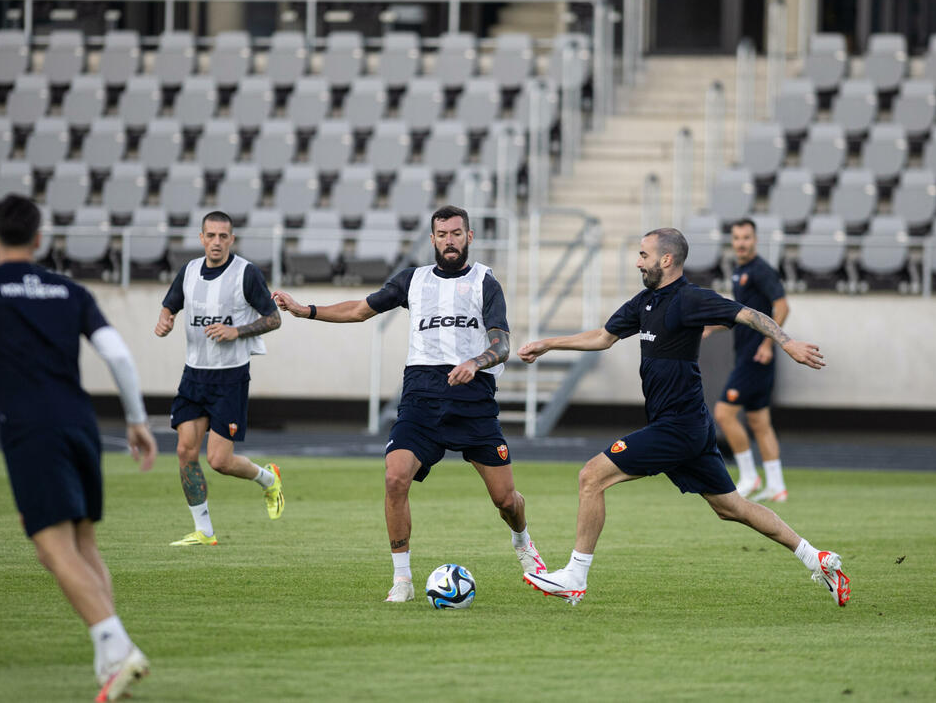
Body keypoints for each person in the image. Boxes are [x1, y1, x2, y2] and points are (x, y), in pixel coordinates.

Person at [517, 228, 850, 607]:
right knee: (731, 508)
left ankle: (574, 576)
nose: (638, 262)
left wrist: (787, 343)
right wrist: (547, 344)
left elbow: (748, 313)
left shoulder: (690, 299)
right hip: (690, 425)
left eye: (644, 255)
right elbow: (603, 337)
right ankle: (817, 558)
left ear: (666, 260)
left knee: (591, 476)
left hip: (677, 426)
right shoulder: (644, 302)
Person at [271, 205, 546, 602]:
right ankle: (402, 580)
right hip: (421, 394)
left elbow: (502, 344)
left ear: (469, 237)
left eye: (456, 233)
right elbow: (359, 309)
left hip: (473, 396)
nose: (449, 240)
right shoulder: (412, 281)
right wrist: (306, 310)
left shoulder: (486, 282)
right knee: (394, 477)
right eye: (442, 234)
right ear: (432, 239)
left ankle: (522, 541)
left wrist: (476, 361)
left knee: (505, 499)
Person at [0, 195, 158, 702]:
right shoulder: (69, 289)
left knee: (50, 546)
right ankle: (109, 666)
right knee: (83, 543)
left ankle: (119, 648)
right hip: (80, 424)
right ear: (41, 239)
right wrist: (136, 421)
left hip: (31, 428)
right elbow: (119, 356)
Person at [155, 211, 284, 546]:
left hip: (229, 378)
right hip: (193, 374)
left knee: (219, 461)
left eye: (222, 236)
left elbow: (274, 319)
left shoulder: (246, 273)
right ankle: (204, 531)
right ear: (201, 238)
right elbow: (170, 305)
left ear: (231, 239)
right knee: (185, 451)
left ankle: (268, 480)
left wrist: (236, 331)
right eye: (210, 235)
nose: (216, 242)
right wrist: (165, 320)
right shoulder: (189, 272)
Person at [703, 218, 790, 501]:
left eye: (746, 238)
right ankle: (777, 486)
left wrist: (769, 342)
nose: (741, 243)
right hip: (748, 354)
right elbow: (744, 316)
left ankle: (749, 476)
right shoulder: (739, 271)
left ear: (755, 240)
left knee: (724, 414)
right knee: (759, 420)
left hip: (755, 356)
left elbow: (782, 306)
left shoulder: (762, 271)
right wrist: (713, 326)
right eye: (737, 238)